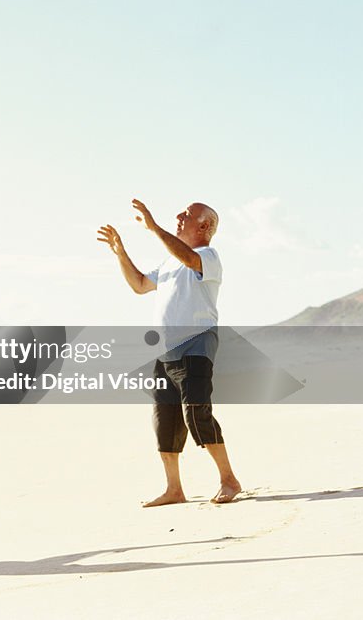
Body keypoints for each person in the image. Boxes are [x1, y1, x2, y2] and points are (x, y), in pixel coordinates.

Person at [97, 199, 242, 507]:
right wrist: (121, 253)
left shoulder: (207, 256)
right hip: (165, 352)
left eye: (186, 215)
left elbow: (189, 258)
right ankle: (174, 489)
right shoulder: (167, 264)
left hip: (196, 345)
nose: (178, 216)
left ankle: (229, 480)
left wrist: (153, 229)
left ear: (204, 226)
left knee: (196, 413)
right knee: (165, 422)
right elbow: (138, 285)